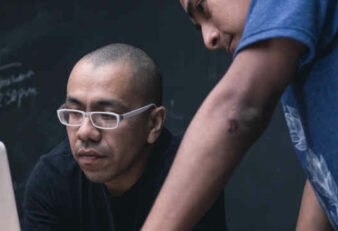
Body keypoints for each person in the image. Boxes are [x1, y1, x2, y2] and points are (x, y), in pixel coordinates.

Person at [142, 0, 337, 230]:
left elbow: (237, 109)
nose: (208, 38)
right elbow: (322, 164)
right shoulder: (298, 52)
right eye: (199, 26)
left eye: (203, 8)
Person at [22, 43, 228, 231]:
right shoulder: (53, 178)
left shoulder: (190, 174)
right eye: (75, 113)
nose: (85, 132)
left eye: (106, 116)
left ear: (153, 123)